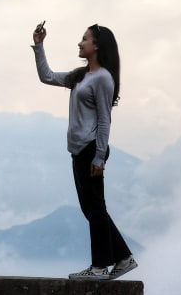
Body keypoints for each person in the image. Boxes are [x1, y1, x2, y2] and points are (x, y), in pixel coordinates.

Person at [31, 22, 138, 280]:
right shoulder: (82, 76)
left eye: (85, 39)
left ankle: (100, 266)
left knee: (95, 210)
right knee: (92, 209)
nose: (80, 43)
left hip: (91, 149)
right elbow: (47, 76)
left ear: (97, 46)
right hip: (80, 150)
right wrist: (39, 45)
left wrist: (99, 156)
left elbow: (104, 119)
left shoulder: (103, 78)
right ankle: (123, 258)